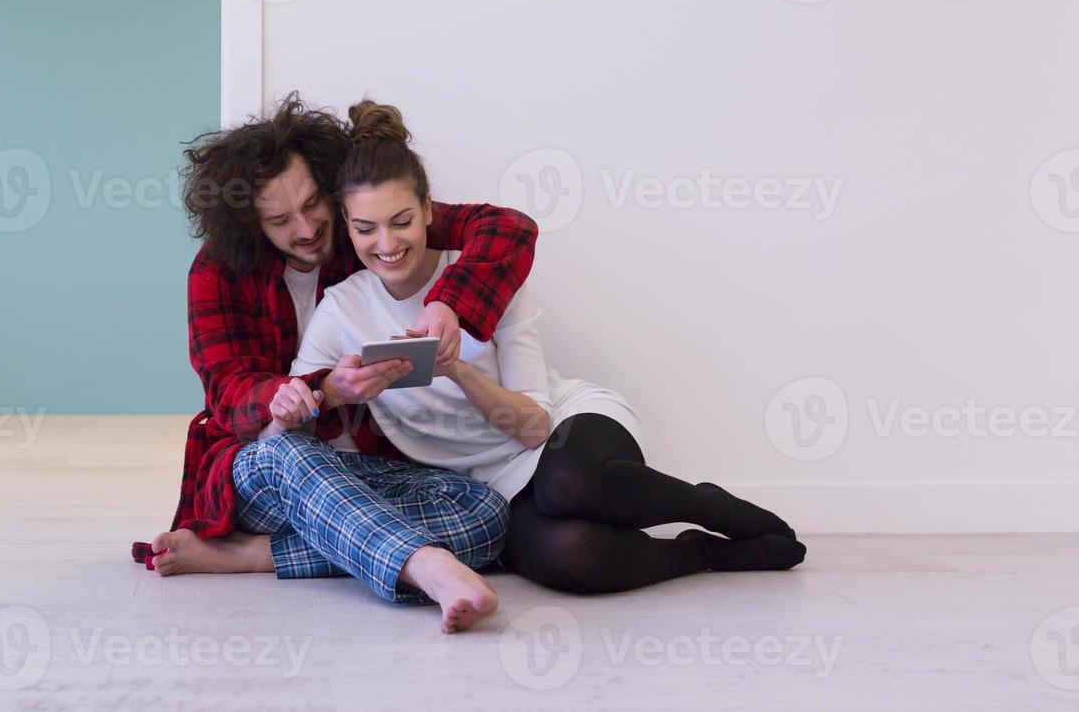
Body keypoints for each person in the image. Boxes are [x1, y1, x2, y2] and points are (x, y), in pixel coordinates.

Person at [273, 99, 807, 594]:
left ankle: (709, 505)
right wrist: (333, 393)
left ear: (429, 210)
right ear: (346, 225)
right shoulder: (340, 310)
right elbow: (284, 425)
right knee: (571, 558)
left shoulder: (482, 278)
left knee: (568, 486)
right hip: (486, 484)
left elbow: (535, 429)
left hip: (563, 430)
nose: (387, 245)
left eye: (402, 221)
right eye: (366, 228)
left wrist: (458, 371)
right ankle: (701, 555)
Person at [132, 93, 540, 632]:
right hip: (264, 467)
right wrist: (316, 392)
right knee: (285, 454)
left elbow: (507, 229)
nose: (305, 229)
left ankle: (250, 556)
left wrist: (448, 302)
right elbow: (228, 393)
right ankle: (425, 565)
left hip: (365, 469)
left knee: (487, 516)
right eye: (279, 219)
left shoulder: (366, 232)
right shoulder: (217, 270)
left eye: (312, 205)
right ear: (249, 222)